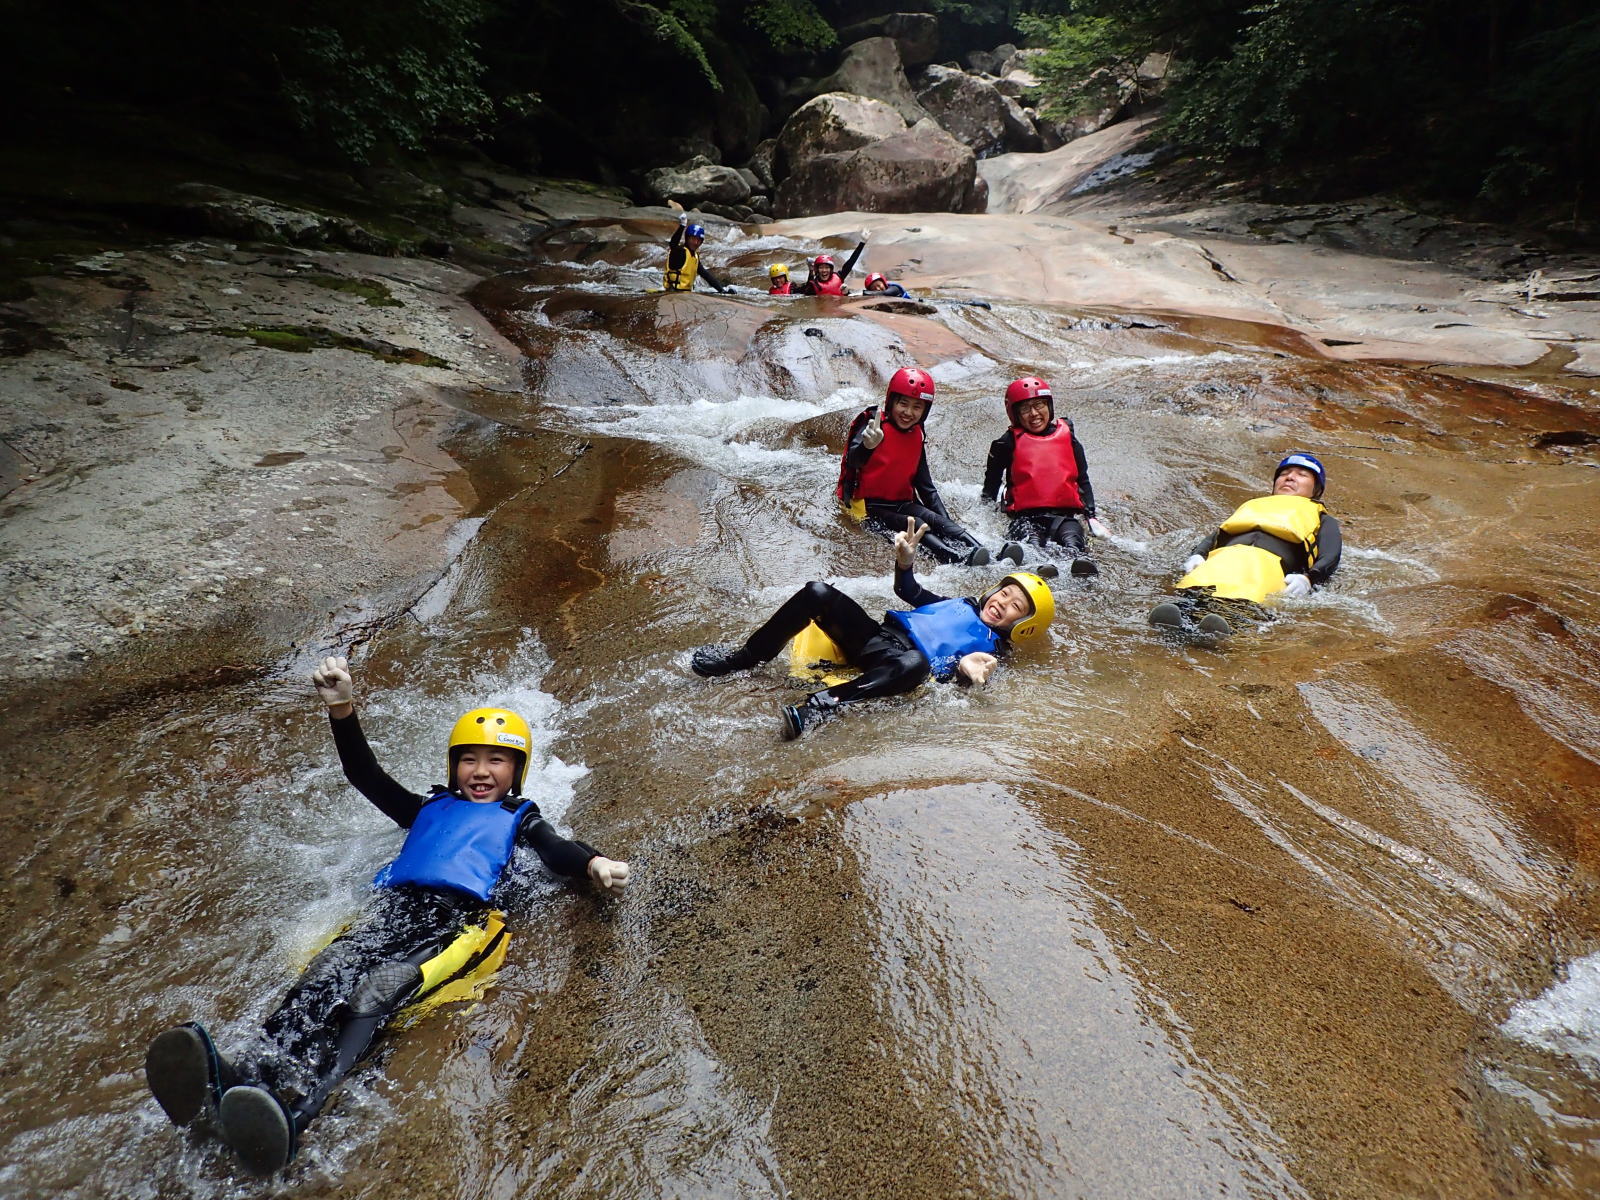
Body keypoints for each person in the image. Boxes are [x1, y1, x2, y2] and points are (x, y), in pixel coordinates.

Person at [143, 657, 629, 1176]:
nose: (481, 771)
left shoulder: (521, 817)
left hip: (458, 923)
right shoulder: (426, 808)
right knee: (327, 970)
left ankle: (304, 1112)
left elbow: (556, 850)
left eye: (497, 760)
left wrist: (594, 862)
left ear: (517, 772)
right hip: (395, 909)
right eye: (469, 759)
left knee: (376, 991)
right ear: (452, 766)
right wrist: (342, 709)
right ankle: (249, 1072)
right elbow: (365, 775)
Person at [690, 518, 1056, 739]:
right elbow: (907, 592)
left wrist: (967, 674)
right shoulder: (957, 601)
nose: (1001, 603)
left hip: (903, 668)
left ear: (1022, 626)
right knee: (817, 592)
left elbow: (966, 684)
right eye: (1004, 594)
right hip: (875, 640)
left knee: (916, 662)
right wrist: (905, 563)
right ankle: (745, 658)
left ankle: (819, 708)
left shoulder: (993, 651)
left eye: (1014, 607)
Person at [837, 365, 1019, 567]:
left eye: (917, 407)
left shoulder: (916, 434)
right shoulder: (873, 424)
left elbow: (926, 486)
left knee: (936, 519)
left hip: (901, 503)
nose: (908, 412)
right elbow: (853, 460)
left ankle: (989, 554)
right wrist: (867, 446)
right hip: (869, 507)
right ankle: (958, 559)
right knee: (919, 525)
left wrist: (946, 523)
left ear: (925, 411)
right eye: (903, 404)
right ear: (891, 401)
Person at [1149, 452, 1342, 637]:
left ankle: (1225, 630)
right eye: (1284, 474)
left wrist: (1309, 578)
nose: (1290, 477)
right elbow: (1216, 536)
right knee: (1197, 590)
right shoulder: (1252, 506)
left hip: (1268, 567)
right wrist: (1198, 554)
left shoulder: (1322, 518)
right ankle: (1178, 618)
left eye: (1302, 475)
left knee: (1244, 601)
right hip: (1224, 559)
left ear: (1316, 489)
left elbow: (1331, 555)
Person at [981, 376, 1110, 577]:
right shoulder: (1005, 443)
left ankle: (1075, 567)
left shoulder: (1068, 436)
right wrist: (985, 512)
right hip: (1026, 518)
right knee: (1030, 548)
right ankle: (1038, 567)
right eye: (1025, 409)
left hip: (1064, 517)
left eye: (1039, 405)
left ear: (1048, 405)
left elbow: (1082, 479)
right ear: (1015, 414)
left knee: (1074, 546)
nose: (1034, 414)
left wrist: (1091, 516)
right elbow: (991, 486)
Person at [663, 213, 729, 293]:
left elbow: (706, 275)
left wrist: (722, 290)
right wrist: (682, 226)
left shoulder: (695, 256)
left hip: (686, 292)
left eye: (699, 240)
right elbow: (673, 244)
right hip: (672, 292)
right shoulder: (680, 252)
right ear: (687, 238)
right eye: (693, 239)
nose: (696, 243)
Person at [798, 239, 865, 295]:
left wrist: (862, 243)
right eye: (821, 268)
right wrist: (811, 271)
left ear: (831, 269)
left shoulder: (839, 276)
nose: (824, 270)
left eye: (827, 268)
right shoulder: (814, 285)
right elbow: (805, 293)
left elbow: (851, 262)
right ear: (817, 270)